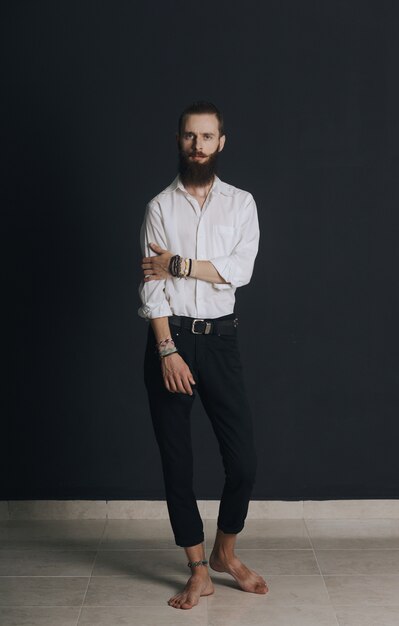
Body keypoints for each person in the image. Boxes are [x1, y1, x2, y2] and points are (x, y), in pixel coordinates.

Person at [138, 101, 268, 609]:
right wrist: (166, 349)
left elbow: (241, 270)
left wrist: (181, 264)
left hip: (220, 340)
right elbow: (152, 288)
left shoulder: (242, 204)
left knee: (244, 463)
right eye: (190, 137)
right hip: (170, 340)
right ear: (179, 141)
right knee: (178, 464)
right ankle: (198, 570)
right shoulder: (158, 208)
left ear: (221, 143)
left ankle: (225, 553)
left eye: (207, 137)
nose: (198, 146)